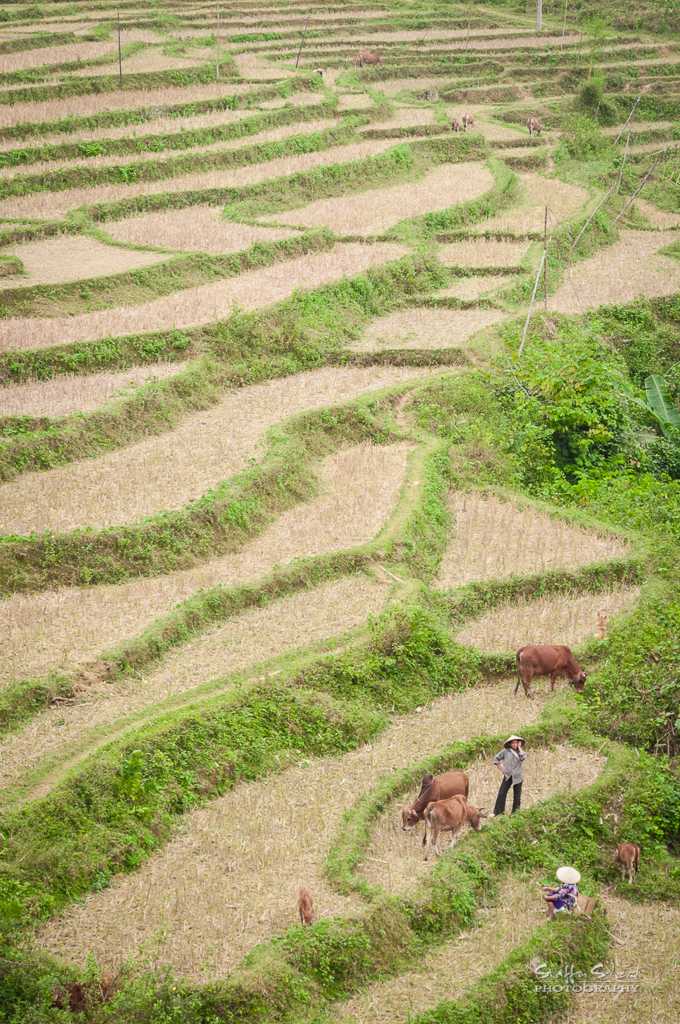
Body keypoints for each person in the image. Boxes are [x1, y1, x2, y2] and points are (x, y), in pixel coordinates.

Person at [492, 735, 526, 815]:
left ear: (518, 743)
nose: (514, 744)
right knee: (502, 793)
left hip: (518, 776)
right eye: (513, 743)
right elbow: (496, 759)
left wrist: (520, 748)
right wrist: (502, 769)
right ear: (510, 744)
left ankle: (515, 813)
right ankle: (498, 812)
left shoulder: (521, 752)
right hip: (508, 776)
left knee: (517, 795)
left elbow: (523, 757)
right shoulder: (505, 751)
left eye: (516, 743)